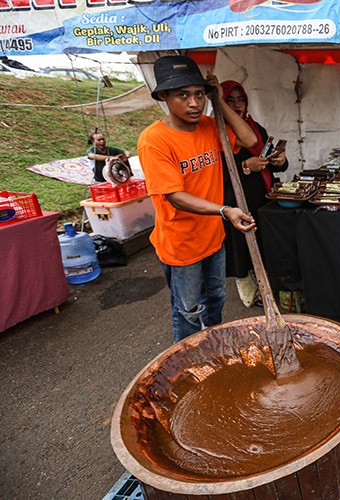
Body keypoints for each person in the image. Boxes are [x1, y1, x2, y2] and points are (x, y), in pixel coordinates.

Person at [137, 55, 258, 343]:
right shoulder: (154, 140)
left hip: (213, 238)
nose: (194, 103)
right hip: (181, 246)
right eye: (183, 95)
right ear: (164, 96)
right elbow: (175, 197)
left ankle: (212, 346)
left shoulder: (208, 126)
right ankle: (188, 362)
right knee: (189, 309)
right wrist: (225, 210)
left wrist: (220, 101)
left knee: (216, 298)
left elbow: (250, 140)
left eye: (199, 94)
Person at [220, 80, 289, 308]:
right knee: (241, 243)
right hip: (234, 199)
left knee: (260, 239)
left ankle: (263, 280)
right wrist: (244, 167)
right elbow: (214, 174)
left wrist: (280, 160)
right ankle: (247, 288)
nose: (237, 104)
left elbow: (269, 161)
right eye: (230, 100)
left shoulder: (255, 127)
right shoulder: (216, 131)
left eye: (240, 99)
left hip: (261, 194)